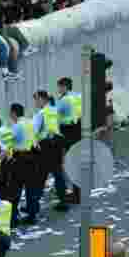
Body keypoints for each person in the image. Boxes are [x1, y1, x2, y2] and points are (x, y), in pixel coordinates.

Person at [55, 77, 82, 208]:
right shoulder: (78, 96)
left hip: (67, 132)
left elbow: (54, 115)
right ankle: (77, 192)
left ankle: (75, 195)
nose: (58, 89)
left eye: (60, 87)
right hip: (77, 130)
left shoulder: (64, 100)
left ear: (65, 87)